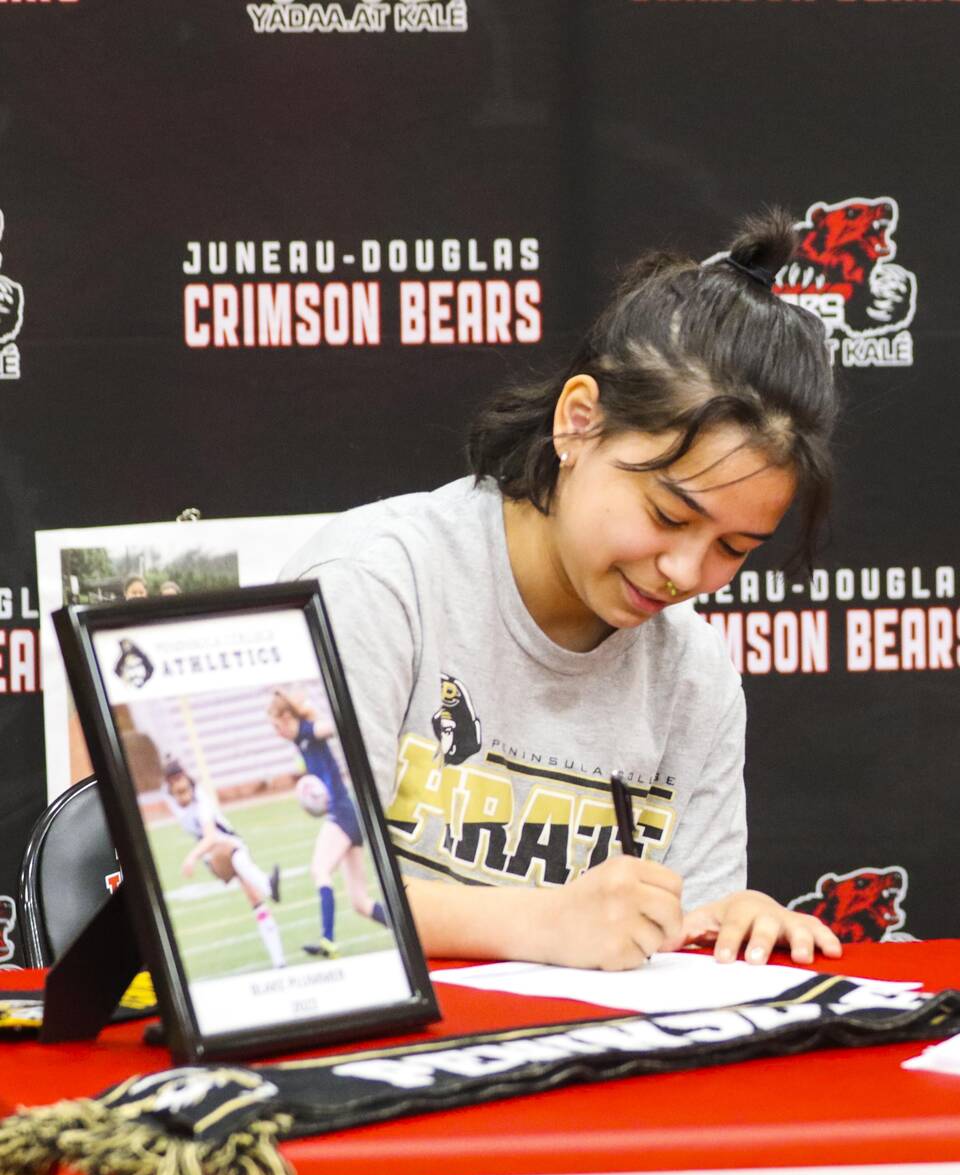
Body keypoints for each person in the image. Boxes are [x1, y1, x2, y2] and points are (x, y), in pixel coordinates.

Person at [280, 213, 846, 972]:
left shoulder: (694, 670)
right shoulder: (378, 583)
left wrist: (724, 924)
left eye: (734, 548)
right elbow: (295, 893)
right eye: (669, 515)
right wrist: (538, 923)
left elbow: (677, 942)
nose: (686, 573)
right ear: (578, 423)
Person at [267, 689, 388, 958]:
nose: (276, 733)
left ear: (286, 718)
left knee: (320, 870)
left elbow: (331, 727)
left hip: (341, 814)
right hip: (348, 816)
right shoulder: (300, 739)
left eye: (276, 726)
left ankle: (328, 941)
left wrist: (319, 716)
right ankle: (406, 929)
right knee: (360, 902)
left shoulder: (309, 732)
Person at [162, 757, 289, 970]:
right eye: (178, 791)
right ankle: (268, 886)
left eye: (186, 789)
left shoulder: (201, 800)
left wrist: (191, 857)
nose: (184, 795)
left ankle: (279, 961)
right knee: (238, 863)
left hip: (226, 844)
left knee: (254, 898)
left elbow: (211, 836)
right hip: (213, 856)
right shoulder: (169, 798)